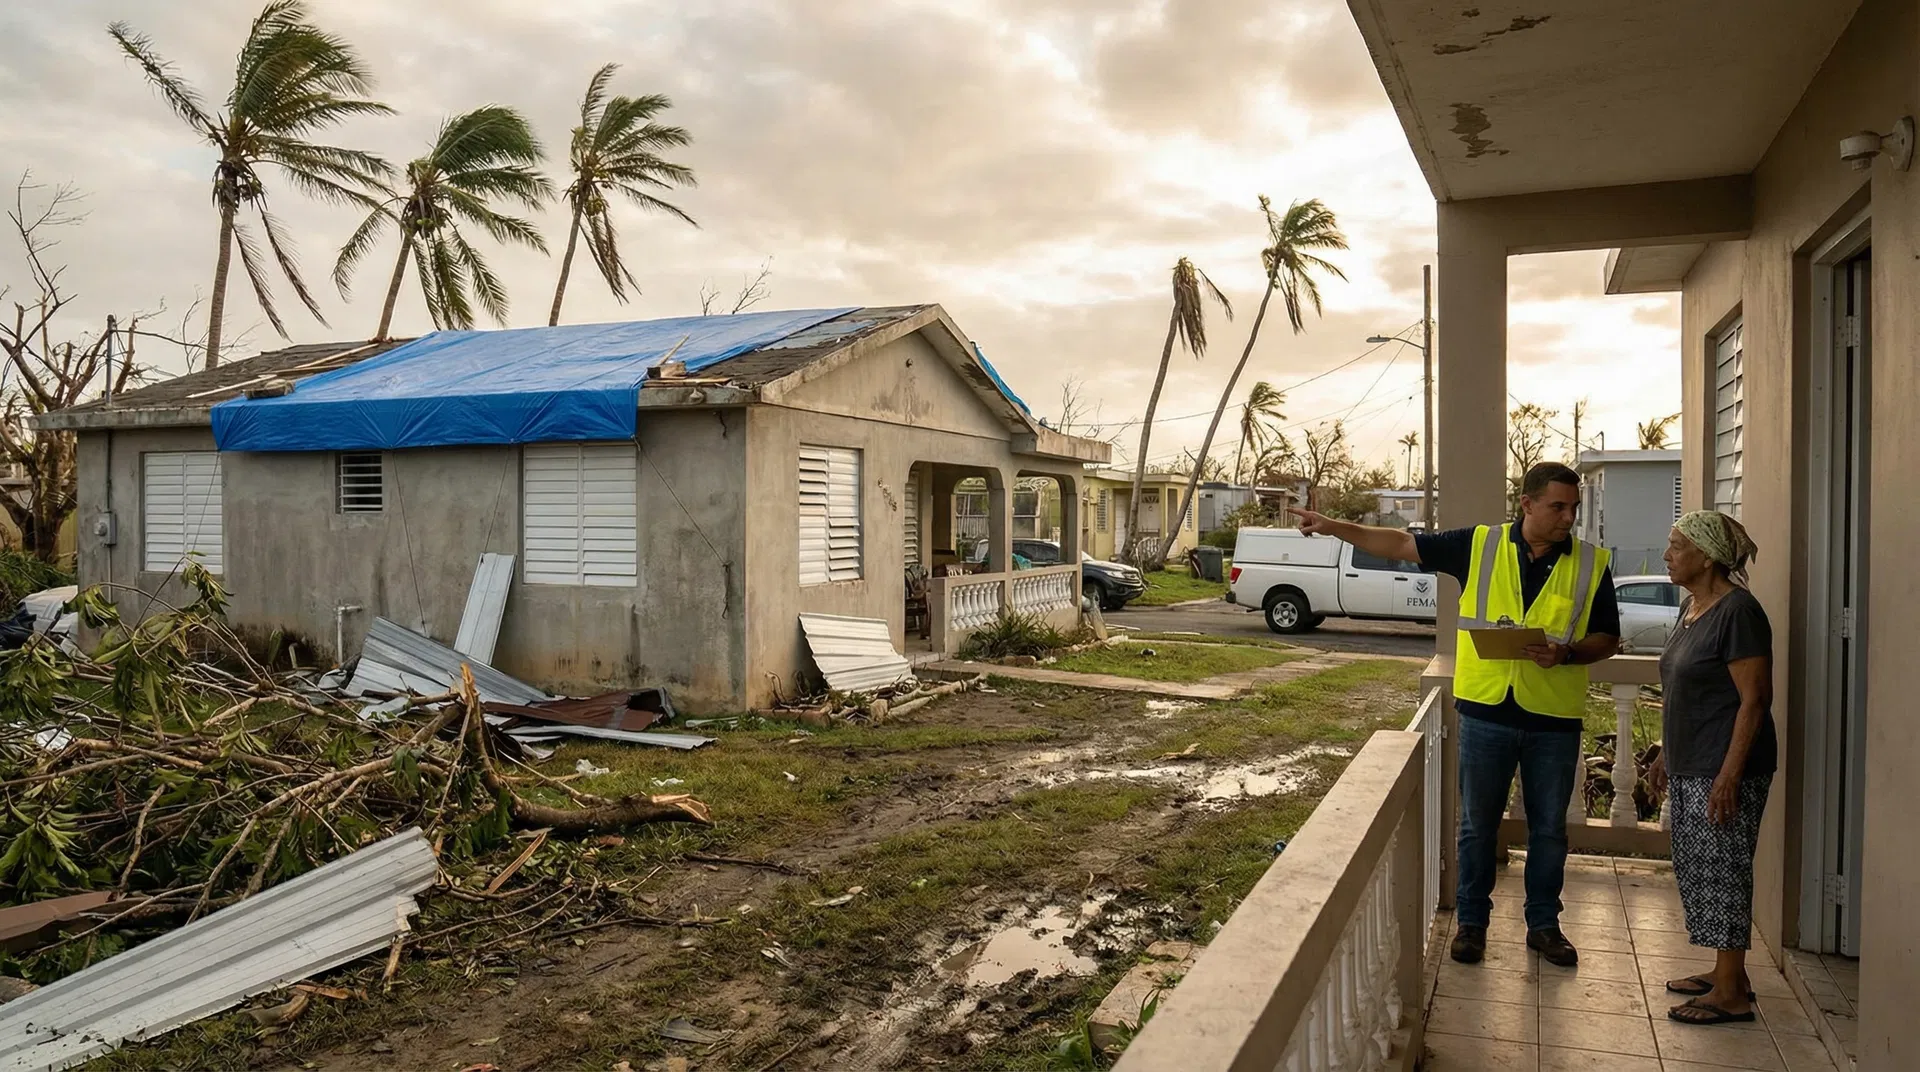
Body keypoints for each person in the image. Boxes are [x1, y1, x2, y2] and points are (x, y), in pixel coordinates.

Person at [1291, 462, 1619, 968]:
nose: (1568, 517)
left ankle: (1544, 926)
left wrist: (1568, 653)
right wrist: (1334, 526)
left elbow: (1607, 639)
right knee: (1476, 826)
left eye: (1573, 508)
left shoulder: (1592, 564)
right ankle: (1472, 924)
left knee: (1550, 829)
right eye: (1558, 506)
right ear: (1527, 504)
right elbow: (1400, 545)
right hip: (1487, 710)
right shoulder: (1480, 545)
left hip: (1553, 719)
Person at [1646, 511, 1774, 1026]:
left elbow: (1755, 700)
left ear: (1706, 555)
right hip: (1692, 761)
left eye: (1676, 546)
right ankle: (1729, 974)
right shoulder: (1692, 607)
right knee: (1702, 870)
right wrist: (1663, 753)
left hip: (1725, 768)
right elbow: (1684, 690)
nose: (1667, 554)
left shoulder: (1738, 611)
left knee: (1724, 872)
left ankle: (1730, 995)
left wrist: (1729, 775)